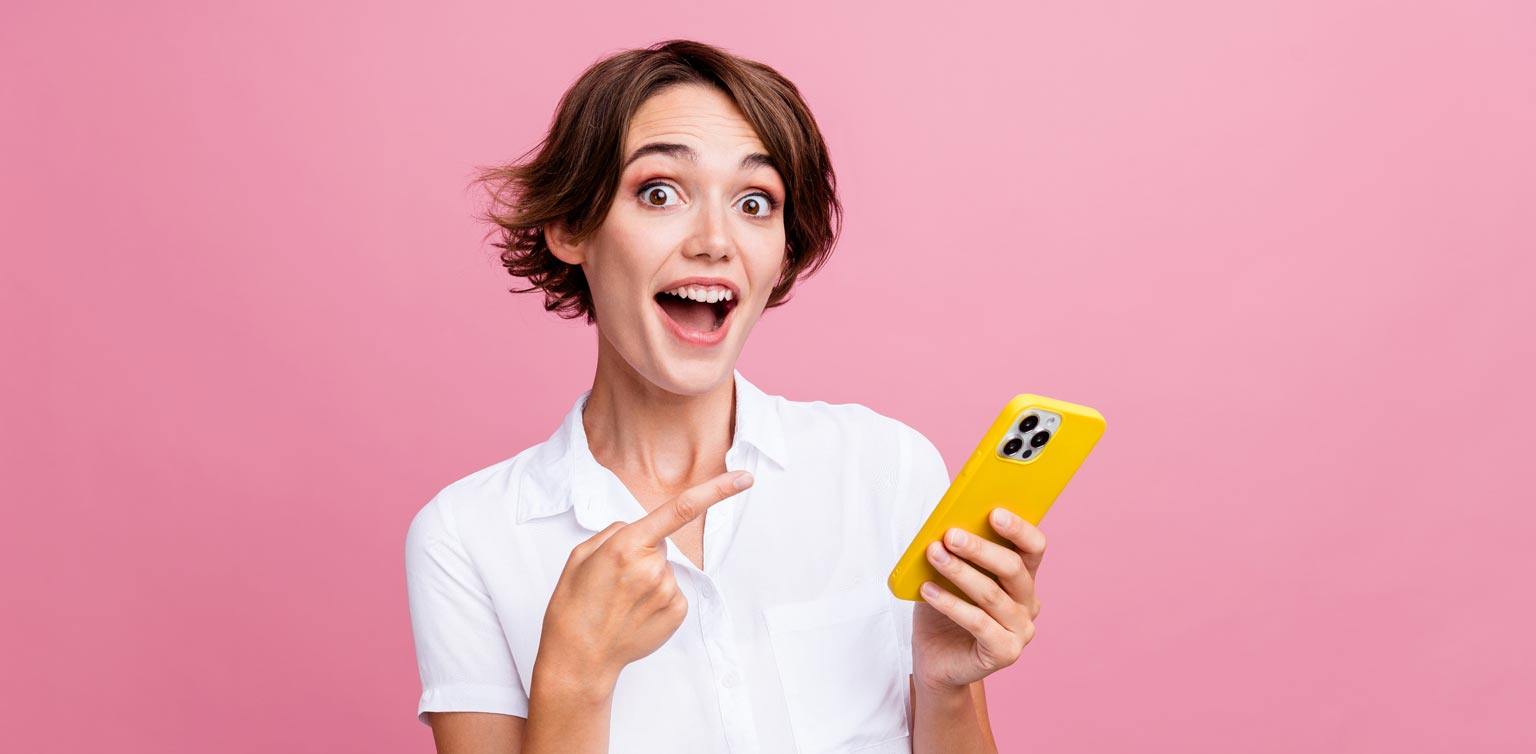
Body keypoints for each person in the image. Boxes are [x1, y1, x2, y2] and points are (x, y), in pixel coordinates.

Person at [404, 39, 1046, 754]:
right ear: (571, 227)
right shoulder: (467, 537)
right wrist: (574, 679)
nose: (714, 241)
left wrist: (945, 686)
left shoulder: (886, 468)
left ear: (780, 256)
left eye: (753, 202)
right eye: (659, 192)